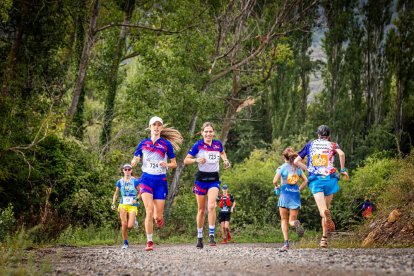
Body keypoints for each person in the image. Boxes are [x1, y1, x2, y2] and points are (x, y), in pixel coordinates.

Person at [131, 116, 183, 251]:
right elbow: (136, 157)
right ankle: (149, 242)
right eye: (154, 125)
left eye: (159, 125)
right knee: (148, 210)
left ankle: (158, 218)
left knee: (157, 215)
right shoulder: (143, 143)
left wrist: (166, 164)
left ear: (162, 128)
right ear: (150, 127)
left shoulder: (166, 145)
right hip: (146, 179)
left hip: (160, 181)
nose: (157, 127)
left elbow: (174, 164)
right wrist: (135, 161)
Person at [294, 125, 349, 248]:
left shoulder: (311, 144)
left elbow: (296, 161)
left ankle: (326, 219)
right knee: (327, 208)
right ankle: (324, 239)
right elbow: (341, 154)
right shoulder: (333, 145)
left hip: (316, 180)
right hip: (330, 179)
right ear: (328, 136)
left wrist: (308, 168)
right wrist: (343, 169)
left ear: (318, 135)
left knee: (323, 211)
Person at [184, 122, 231, 248]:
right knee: (201, 209)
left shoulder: (217, 144)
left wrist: (226, 161)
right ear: (202, 132)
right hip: (201, 179)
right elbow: (186, 160)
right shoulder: (198, 145)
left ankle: (211, 235)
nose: (208, 134)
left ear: (213, 132)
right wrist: (196, 160)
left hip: (214, 180)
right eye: (206, 132)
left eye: (210, 131)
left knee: (211, 207)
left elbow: (222, 153)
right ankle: (199, 236)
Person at [273, 147, 308, 251]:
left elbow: (274, 181)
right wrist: (298, 189)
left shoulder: (281, 168)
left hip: (284, 195)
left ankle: (286, 243)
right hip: (295, 196)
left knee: (284, 219)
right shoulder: (298, 168)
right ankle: (295, 223)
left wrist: (277, 186)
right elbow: (306, 181)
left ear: (284, 157)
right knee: (291, 220)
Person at [111, 163, 140, 249]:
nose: (127, 171)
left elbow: (141, 192)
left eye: (129, 169)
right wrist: (113, 203)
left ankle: (134, 221)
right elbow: (116, 194)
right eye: (125, 169)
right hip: (123, 204)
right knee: (124, 224)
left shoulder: (135, 181)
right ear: (123, 170)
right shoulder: (119, 182)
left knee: (130, 226)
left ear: (131, 171)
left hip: (132, 205)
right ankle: (125, 243)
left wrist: (137, 199)